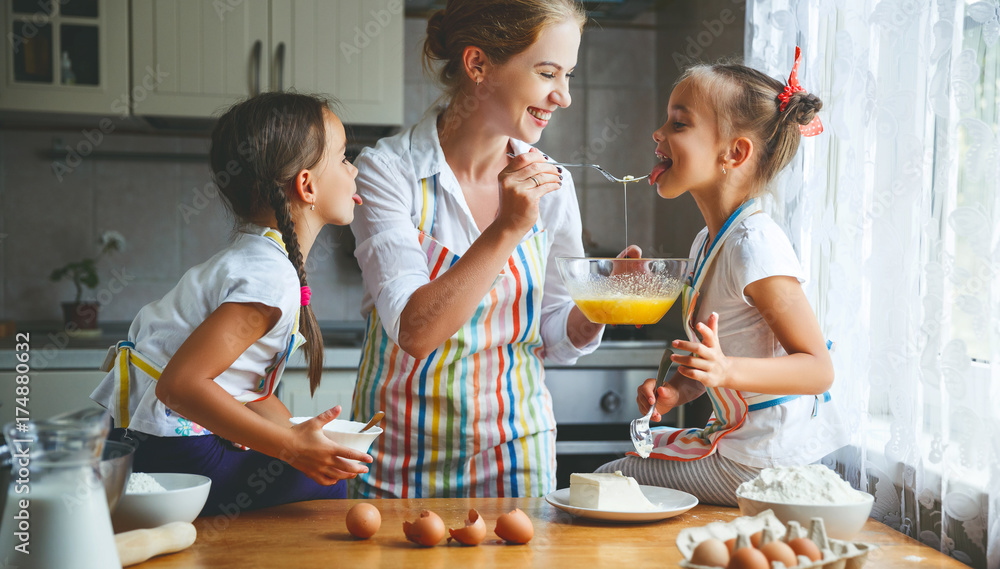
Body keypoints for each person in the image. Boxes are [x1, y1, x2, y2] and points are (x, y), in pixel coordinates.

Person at [349, 0, 626, 499]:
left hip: (515, 453)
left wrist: (595, 310)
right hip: (395, 457)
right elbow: (415, 330)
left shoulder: (552, 184)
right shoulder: (388, 172)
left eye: (569, 75)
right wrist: (507, 228)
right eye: (547, 73)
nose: (563, 96)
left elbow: (553, 328)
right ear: (479, 65)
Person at [90, 92, 372, 515]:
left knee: (317, 467)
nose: (353, 171)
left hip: (149, 444)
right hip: (173, 454)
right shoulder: (270, 276)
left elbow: (246, 391)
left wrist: (304, 437)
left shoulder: (262, 259)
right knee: (325, 489)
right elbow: (180, 387)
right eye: (344, 157)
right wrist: (293, 449)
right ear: (307, 185)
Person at [597, 48, 847, 506]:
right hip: (740, 448)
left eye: (678, 123)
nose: (657, 134)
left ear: (734, 152)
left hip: (764, 463)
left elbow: (817, 369)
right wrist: (679, 389)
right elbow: (726, 361)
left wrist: (725, 369)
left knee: (613, 478)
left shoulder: (755, 245)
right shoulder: (710, 242)